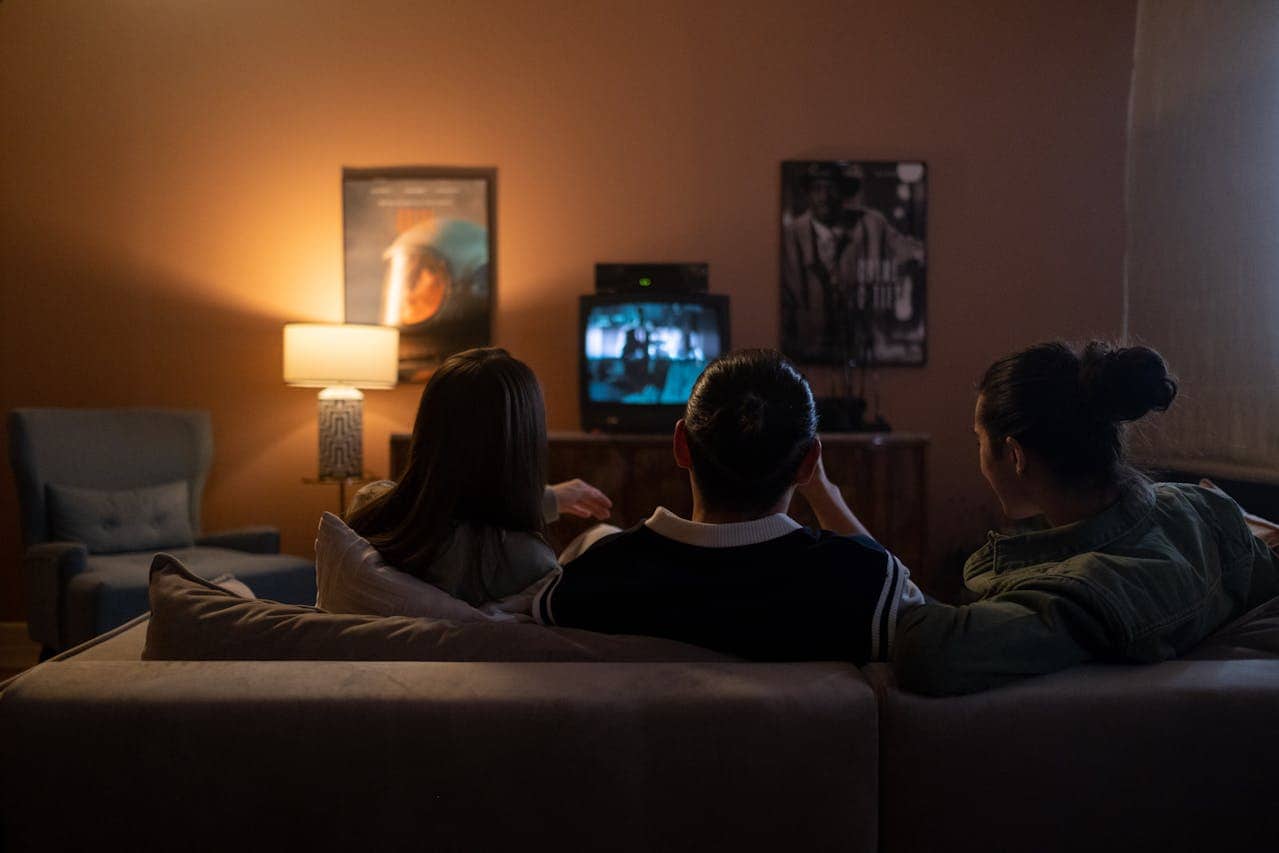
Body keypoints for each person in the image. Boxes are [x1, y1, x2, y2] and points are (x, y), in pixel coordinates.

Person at [894, 341, 1279, 695]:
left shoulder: (1085, 591)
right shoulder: (1205, 506)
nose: (978, 455)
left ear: (1015, 456)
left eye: (979, 441)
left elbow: (929, 650)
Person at [533, 348, 924, 662]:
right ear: (808, 461)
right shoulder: (862, 582)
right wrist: (823, 491)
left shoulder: (593, 575)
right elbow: (918, 611)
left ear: (681, 445)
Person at [346, 347, 611, 608]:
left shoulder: (369, 510)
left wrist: (550, 498)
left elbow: (446, 502)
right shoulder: (526, 562)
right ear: (523, 442)